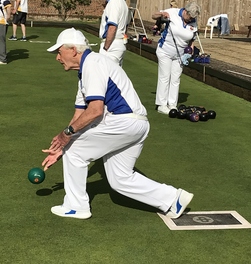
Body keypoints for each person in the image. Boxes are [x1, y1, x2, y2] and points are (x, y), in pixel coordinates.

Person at [41, 27, 194, 220]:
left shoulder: (92, 65)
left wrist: (67, 137)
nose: (57, 57)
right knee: (120, 179)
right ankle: (173, 198)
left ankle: (76, 206)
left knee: (75, 152)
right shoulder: (86, 71)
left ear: (73, 50)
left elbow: (95, 111)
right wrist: (62, 145)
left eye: (59, 52)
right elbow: (80, 114)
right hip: (137, 125)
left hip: (123, 122)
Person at [152, 1, 200, 114]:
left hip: (180, 54)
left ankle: (172, 104)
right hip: (165, 50)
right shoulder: (173, 12)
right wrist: (162, 15)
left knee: (175, 79)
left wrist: (190, 51)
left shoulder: (193, 21)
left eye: (193, 18)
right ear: (185, 11)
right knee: (165, 76)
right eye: (190, 17)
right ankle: (161, 105)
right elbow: (153, 15)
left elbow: (191, 39)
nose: (190, 20)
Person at [99, 0, 129, 67]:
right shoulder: (122, 2)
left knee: (106, 77)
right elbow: (126, 26)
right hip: (118, 43)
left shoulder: (114, 2)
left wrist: (106, 48)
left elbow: (112, 27)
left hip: (112, 45)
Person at [0, 0, 11, 64]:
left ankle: (3, 59)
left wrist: (7, 16)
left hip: (2, 21)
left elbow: (8, 5)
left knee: (1, 40)